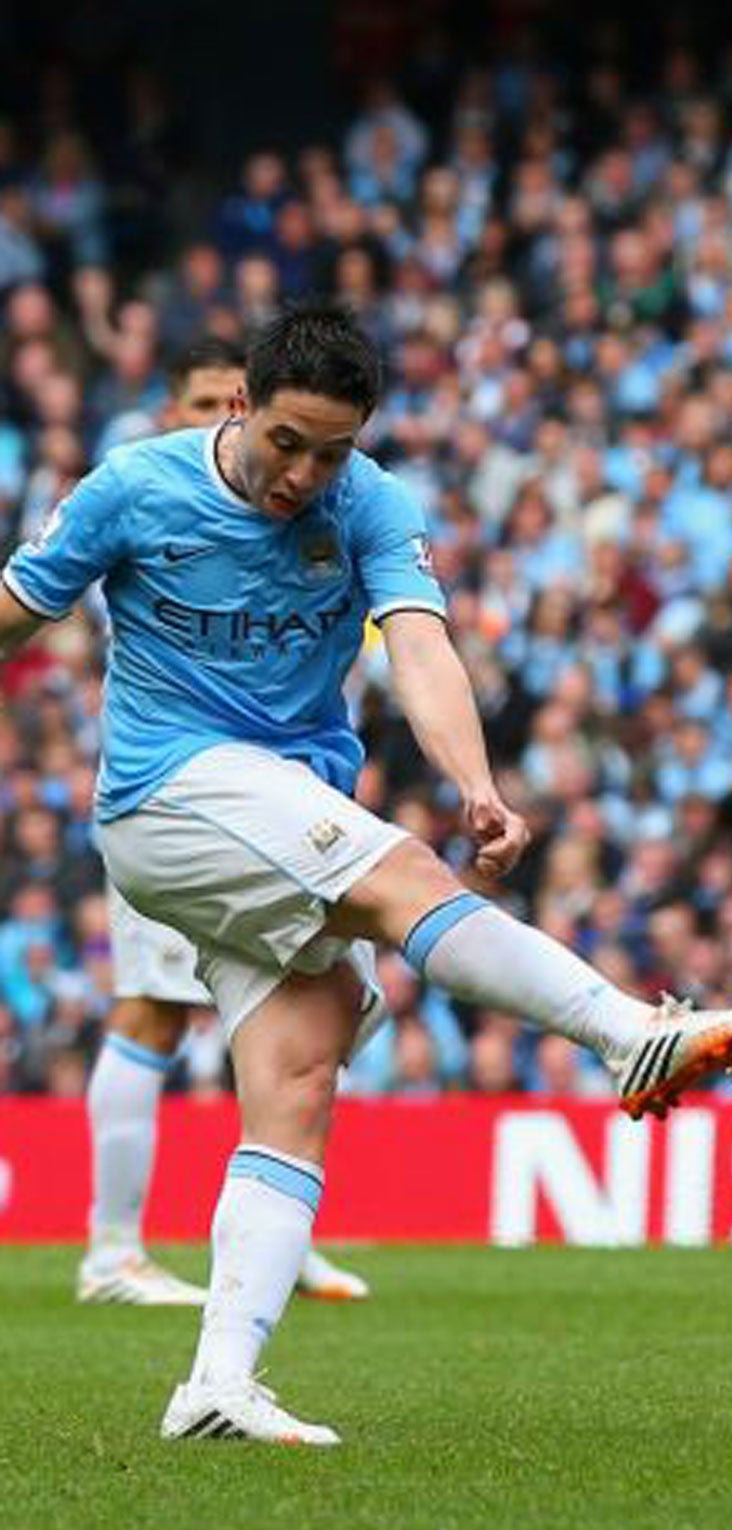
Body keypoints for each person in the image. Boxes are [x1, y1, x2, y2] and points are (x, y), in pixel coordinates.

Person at [0, 301, 732, 1446]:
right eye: (288, 443)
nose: (306, 473)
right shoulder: (132, 486)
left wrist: (477, 784)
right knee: (402, 873)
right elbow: (17, 611)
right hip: (168, 796)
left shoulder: (370, 505)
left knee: (300, 1075)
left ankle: (217, 1382)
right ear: (238, 406)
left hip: (285, 808)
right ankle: (627, 1033)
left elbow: (418, 645)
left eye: (333, 450)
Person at [78, 336, 371, 1308]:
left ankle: (273, 1228)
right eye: (199, 401)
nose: (214, 418)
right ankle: (112, 1248)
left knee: (310, 1011)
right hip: (176, 791)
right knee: (154, 1006)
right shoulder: (146, 506)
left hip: (281, 790)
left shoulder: (305, 515)